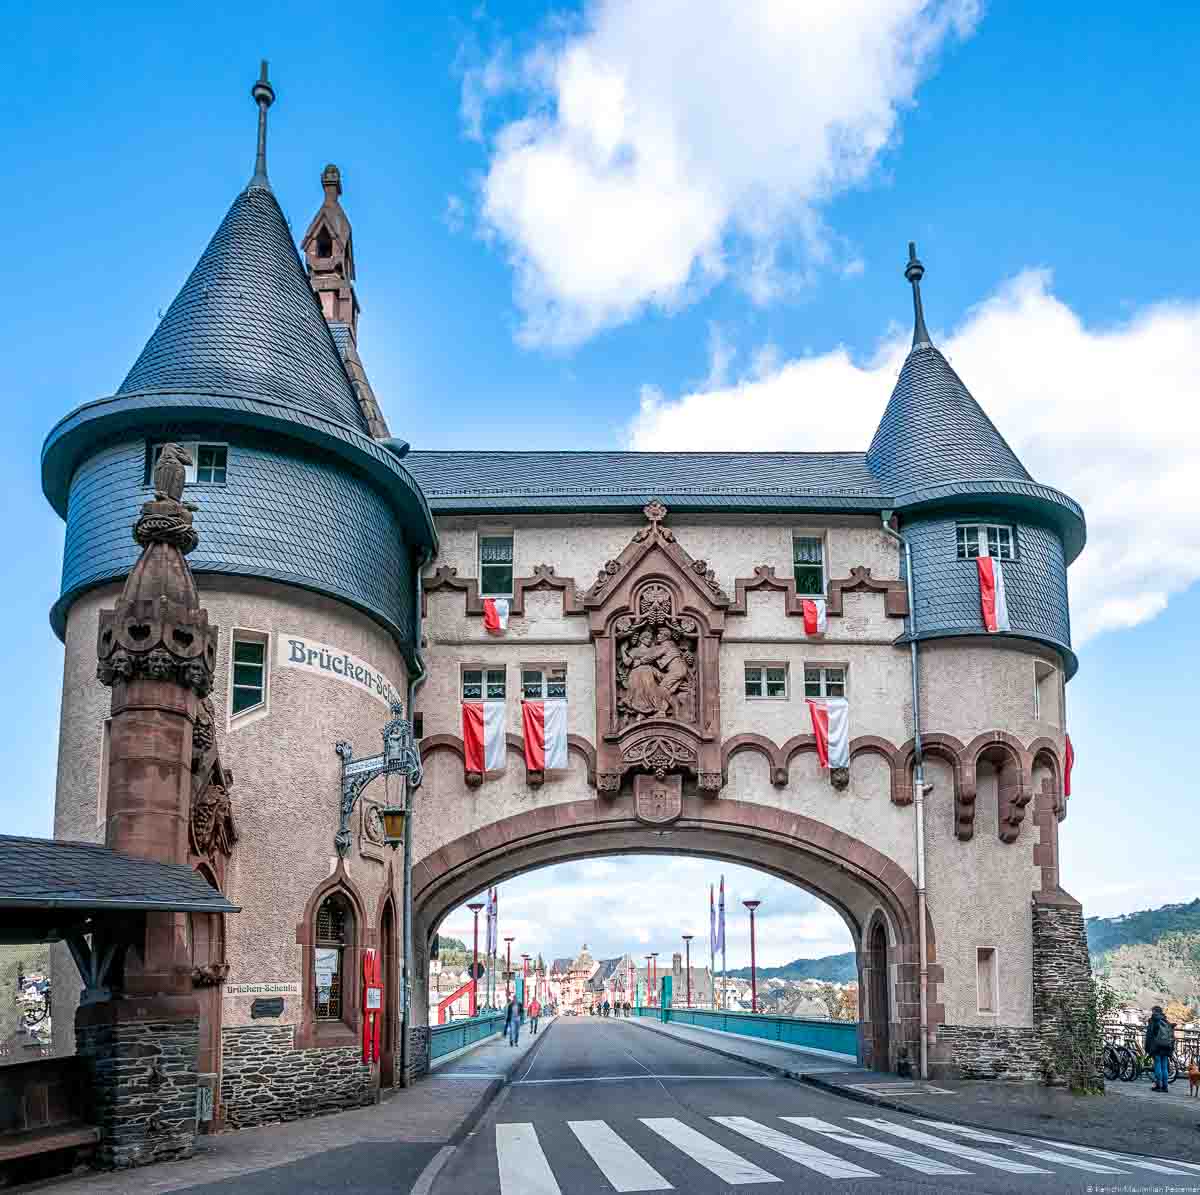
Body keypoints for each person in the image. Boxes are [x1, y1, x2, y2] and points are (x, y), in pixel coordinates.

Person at [1145, 1004, 1175, 1091]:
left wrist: (1147, 1048)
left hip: (1156, 1046)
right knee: (1164, 1066)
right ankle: (1165, 1086)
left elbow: (1149, 1036)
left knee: (1157, 1065)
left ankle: (1159, 1085)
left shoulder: (1153, 1021)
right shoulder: (1166, 1021)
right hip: (1166, 1046)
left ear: (1154, 1011)